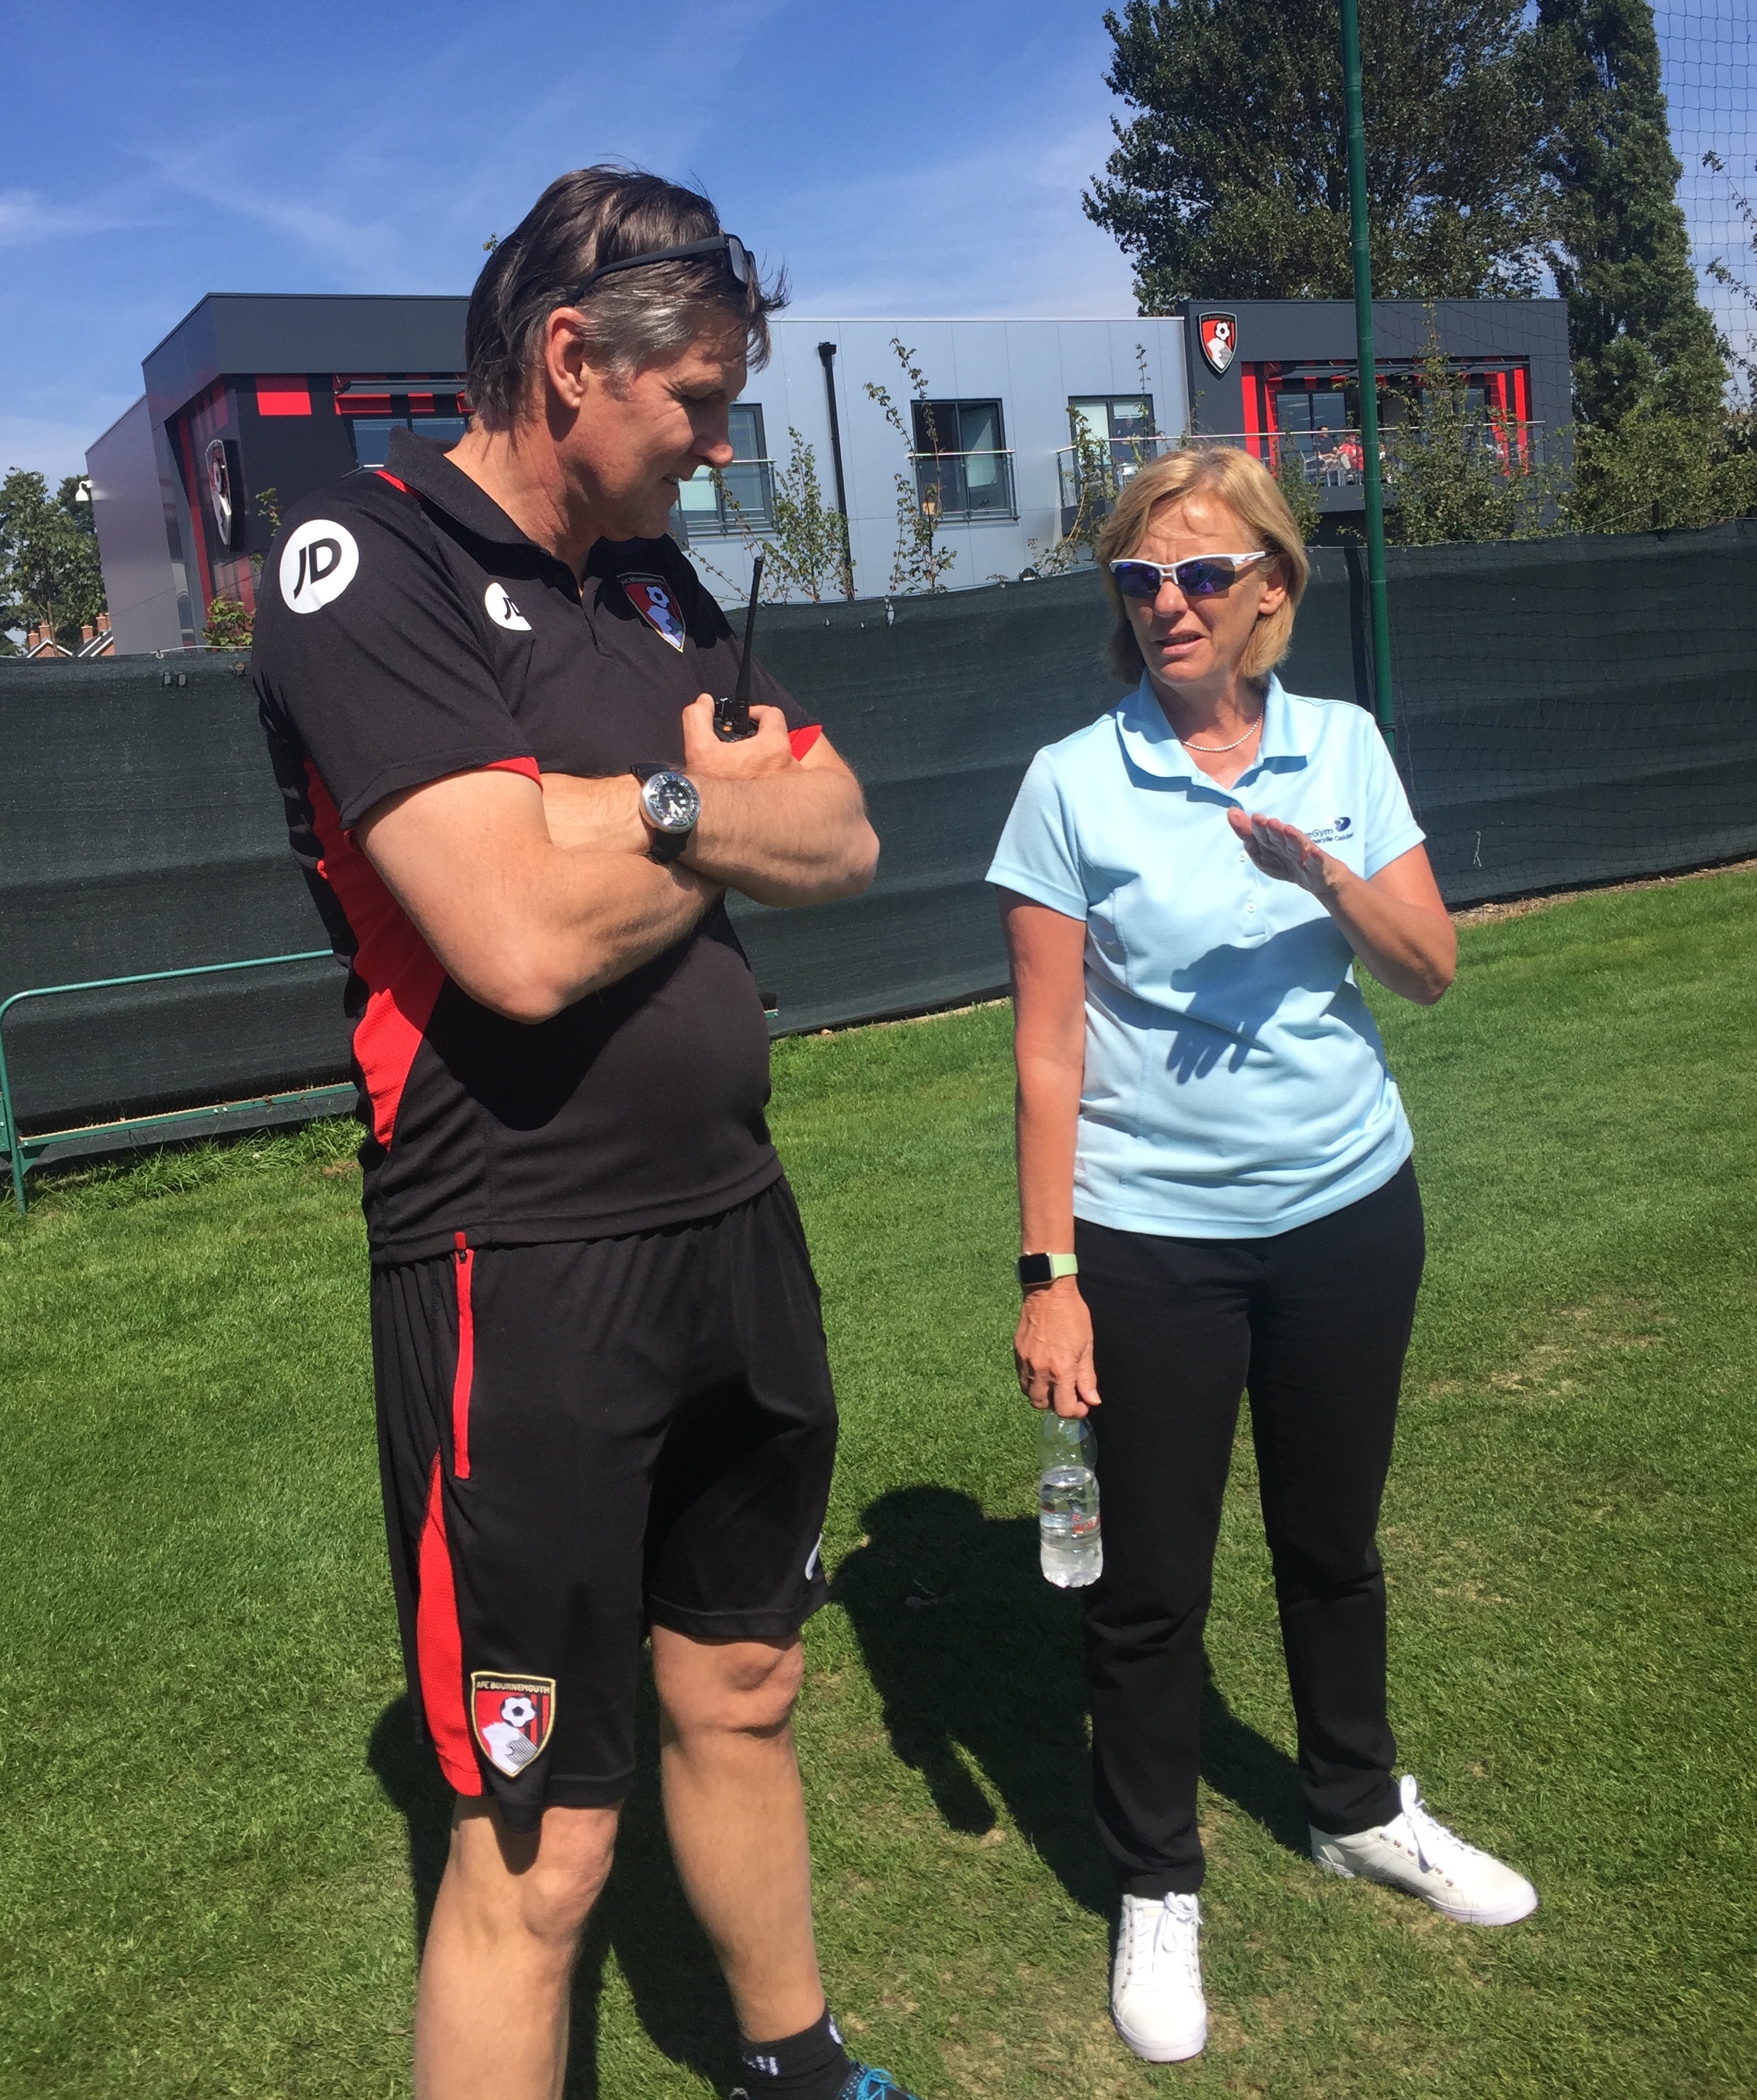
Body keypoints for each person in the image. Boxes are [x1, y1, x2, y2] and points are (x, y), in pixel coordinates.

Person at [252, 166, 921, 2100]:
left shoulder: (647, 581)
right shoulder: (356, 559)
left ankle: (793, 2056)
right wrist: (684, 806)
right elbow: (518, 945)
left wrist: (599, 805)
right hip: (519, 1275)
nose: (717, 446)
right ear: (570, 358)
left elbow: (847, 828)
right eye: (695, 401)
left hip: (738, 1224)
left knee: (746, 1682)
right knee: (543, 1843)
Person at [985, 445, 1537, 2067]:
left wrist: (1321, 868)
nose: (1166, 602)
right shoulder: (1069, 780)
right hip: (1149, 1241)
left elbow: (1429, 968)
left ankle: (1353, 1802)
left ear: (1270, 591)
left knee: (1332, 1540)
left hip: (1349, 1210)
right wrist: (1049, 1271)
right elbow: (1041, 1056)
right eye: (1137, 579)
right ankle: (1157, 1877)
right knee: (1146, 1584)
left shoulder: (1344, 749)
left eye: (1200, 574)